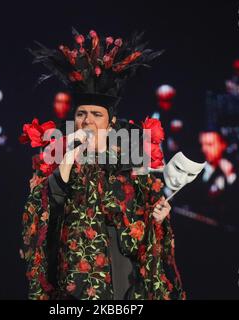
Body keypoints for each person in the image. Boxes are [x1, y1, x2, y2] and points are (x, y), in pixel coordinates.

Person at [20, 29, 185, 300]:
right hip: (76, 272)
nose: (87, 120)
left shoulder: (132, 153)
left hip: (125, 271)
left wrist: (160, 214)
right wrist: (66, 161)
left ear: (110, 124)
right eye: (81, 114)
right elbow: (40, 211)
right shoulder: (58, 152)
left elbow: (147, 206)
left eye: (96, 115)